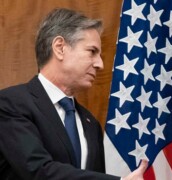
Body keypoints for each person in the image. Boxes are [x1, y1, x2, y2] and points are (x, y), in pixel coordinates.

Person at [0, 8, 149, 179]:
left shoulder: (91, 123)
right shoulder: (10, 104)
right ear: (60, 48)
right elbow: (38, 171)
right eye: (92, 52)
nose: (100, 64)